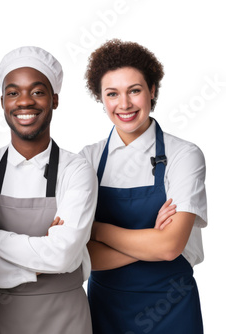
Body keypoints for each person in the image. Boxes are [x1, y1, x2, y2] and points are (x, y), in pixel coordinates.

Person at [0, 46, 97, 334]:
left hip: (65, 319)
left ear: (55, 100)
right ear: (2, 102)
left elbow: (62, 255)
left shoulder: (76, 170)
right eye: (13, 93)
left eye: (37, 92)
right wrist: (36, 265)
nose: (24, 101)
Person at [80, 39, 206, 333]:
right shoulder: (86, 159)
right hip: (105, 310)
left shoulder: (184, 155)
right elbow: (80, 255)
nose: (124, 104)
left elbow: (170, 246)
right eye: (112, 94)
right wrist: (152, 242)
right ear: (101, 99)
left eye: (134, 91)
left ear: (152, 90)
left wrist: (98, 231)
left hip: (172, 307)